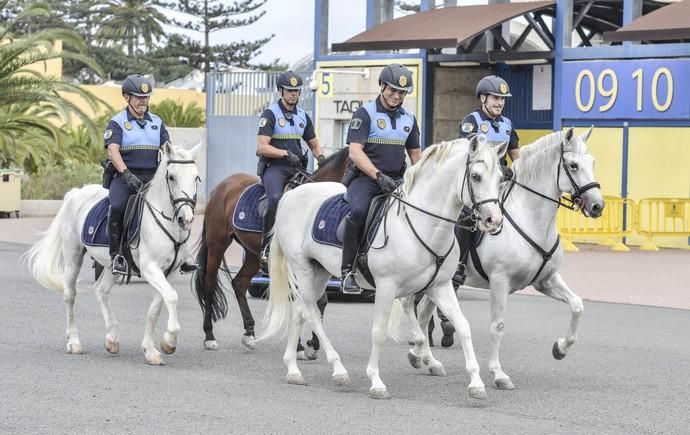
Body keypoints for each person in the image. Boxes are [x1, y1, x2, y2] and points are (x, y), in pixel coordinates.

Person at [103, 74, 198, 275]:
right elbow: (113, 151)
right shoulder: (117, 122)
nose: (143, 101)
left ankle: (184, 255)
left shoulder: (156, 121)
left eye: (146, 98)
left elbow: (167, 148)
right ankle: (117, 256)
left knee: (179, 205)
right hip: (125, 177)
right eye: (139, 97)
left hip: (153, 177)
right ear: (127, 97)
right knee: (118, 206)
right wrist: (126, 174)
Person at [340, 64, 422, 293]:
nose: (396, 96)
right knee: (358, 212)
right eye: (392, 90)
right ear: (382, 86)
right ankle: (348, 271)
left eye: (402, 92)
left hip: (397, 180)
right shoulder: (365, 114)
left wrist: (423, 178)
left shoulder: (409, 118)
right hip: (366, 180)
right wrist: (378, 176)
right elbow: (355, 152)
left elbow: (415, 154)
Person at [257, 71, 326, 273]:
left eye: (296, 91)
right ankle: (267, 248)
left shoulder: (303, 116)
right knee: (276, 199)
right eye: (289, 91)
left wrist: (321, 158)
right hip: (275, 168)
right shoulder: (270, 114)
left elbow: (313, 143)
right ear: (281, 91)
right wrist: (284, 153)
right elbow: (262, 147)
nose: (293, 94)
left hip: (298, 168)